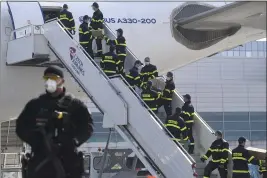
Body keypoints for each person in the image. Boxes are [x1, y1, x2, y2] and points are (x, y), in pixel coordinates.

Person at [16, 66, 93, 178]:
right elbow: (21, 127)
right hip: (41, 158)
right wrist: (36, 141)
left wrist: (74, 141)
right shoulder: (35, 105)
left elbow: (87, 127)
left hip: (68, 161)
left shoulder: (75, 105)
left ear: (62, 81)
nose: (50, 81)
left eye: (54, 78)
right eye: (47, 78)